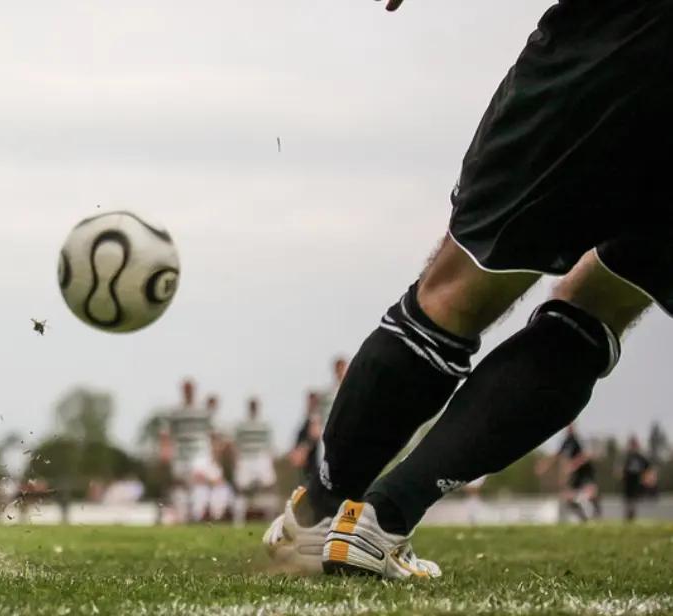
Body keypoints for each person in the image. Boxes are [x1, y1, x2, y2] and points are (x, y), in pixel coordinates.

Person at [266, 0, 671, 579]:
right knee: (602, 304)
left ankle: (319, 517)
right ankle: (383, 520)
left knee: (456, 292)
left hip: (621, 35)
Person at [167, 379, 215, 523]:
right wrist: (167, 449)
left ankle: (197, 514)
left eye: (190, 389)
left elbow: (210, 431)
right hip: (181, 453)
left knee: (199, 479)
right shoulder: (176, 412)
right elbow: (170, 433)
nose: (188, 391)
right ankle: (182, 516)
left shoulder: (202, 411)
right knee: (181, 483)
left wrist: (213, 453)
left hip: (199, 451)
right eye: (185, 389)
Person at [536, 424, 601, 522]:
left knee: (591, 494)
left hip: (586, 472)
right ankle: (584, 519)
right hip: (576, 475)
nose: (568, 429)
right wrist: (545, 465)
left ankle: (597, 513)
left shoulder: (578, 440)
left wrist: (574, 465)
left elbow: (586, 455)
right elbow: (557, 455)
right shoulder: (566, 441)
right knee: (568, 497)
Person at [233, 397, 276, 526]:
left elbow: (269, 446)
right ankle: (238, 522)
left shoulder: (264, 425)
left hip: (261, 458)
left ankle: (271, 520)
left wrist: (270, 461)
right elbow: (237, 445)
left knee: (268, 486)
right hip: (245, 458)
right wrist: (237, 462)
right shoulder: (241, 425)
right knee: (241, 489)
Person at [621, 435, 656, 522]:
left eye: (635, 445)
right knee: (629, 503)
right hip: (628, 484)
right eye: (632, 445)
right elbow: (621, 470)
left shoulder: (641, 458)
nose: (633, 447)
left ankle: (632, 518)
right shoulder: (626, 457)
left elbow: (649, 469)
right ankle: (629, 519)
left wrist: (648, 480)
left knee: (634, 503)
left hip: (637, 483)